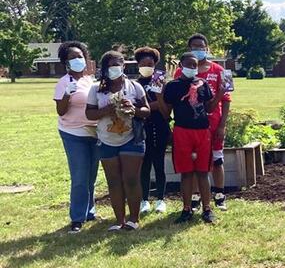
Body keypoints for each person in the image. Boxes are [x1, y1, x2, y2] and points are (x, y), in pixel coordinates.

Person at [85, 51, 150, 231]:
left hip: (132, 139)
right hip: (106, 140)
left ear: (123, 66)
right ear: (104, 69)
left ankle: (133, 219)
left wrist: (134, 109)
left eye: (117, 65)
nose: (114, 68)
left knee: (131, 179)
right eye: (110, 66)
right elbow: (89, 113)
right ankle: (118, 220)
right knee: (113, 181)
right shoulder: (95, 89)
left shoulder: (134, 87)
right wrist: (105, 110)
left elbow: (146, 111)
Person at [158, 52, 225, 224]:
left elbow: (209, 108)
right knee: (186, 173)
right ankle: (186, 208)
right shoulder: (173, 86)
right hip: (182, 131)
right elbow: (166, 112)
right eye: (188, 65)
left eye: (194, 65)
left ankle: (207, 209)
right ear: (181, 66)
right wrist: (159, 96)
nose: (192, 68)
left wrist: (219, 94)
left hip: (202, 132)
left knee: (203, 172)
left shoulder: (203, 84)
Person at [174, 34, 232, 211]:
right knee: (195, 163)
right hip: (191, 126)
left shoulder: (220, 70)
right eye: (194, 47)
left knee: (217, 159)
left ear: (207, 48)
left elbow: (227, 99)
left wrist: (222, 125)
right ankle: (195, 197)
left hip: (213, 123)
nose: (198, 50)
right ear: (189, 48)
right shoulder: (181, 71)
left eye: (201, 46)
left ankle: (220, 195)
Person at [54, 41, 99, 234]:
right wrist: (66, 95)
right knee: (80, 176)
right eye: (72, 58)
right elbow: (61, 111)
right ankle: (77, 218)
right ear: (66, 62)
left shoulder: (90, 80)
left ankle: (89, 210)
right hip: (73, 133)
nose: (77, 60)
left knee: (91, 176)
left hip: (94, 133)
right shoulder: (64, 82)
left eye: (80, 56)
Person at [135, 47, 171, 215]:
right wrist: (149, 107)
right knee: (144, 165)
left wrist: (153, 102)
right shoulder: (135, 84)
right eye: (143, 64)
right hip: (141, 129)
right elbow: (134, 106)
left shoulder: (161, 83)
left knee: (159, 164)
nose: (147, 66)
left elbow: (165, 109)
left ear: (155, 65)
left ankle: (160, 199)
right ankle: (144, 200)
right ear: (138, 65)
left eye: (150, 64)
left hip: (160, 127)